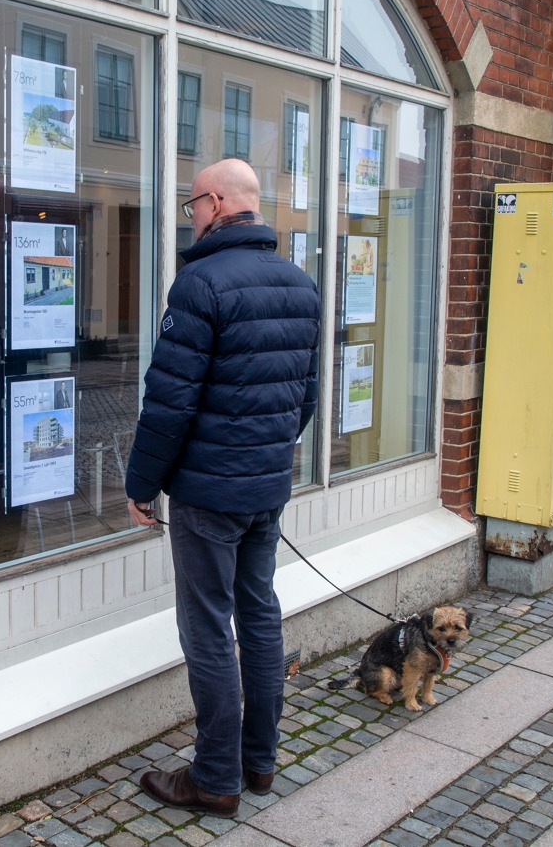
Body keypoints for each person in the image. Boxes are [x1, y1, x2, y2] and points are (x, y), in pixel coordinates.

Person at [125, 159, 321, 817]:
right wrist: (266, 454)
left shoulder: (200, 284)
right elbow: (306, 398)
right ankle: (259, 764)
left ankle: (214, 777)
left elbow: (168, 404)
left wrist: (141, 484)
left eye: (191, 206)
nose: (191, 217)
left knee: (208, 628)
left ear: (214, 202)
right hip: (266, 488)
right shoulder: (300, 283)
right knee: (260, 615)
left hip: (210, 496)